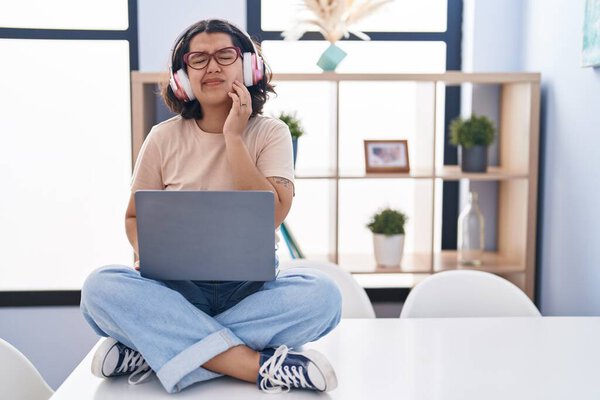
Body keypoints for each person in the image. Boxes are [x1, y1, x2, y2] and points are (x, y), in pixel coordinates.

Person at [80, 19, 342, 394]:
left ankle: (157, 348)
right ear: (183, 77)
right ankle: (255, 366)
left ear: (249, 67)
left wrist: (233, 137)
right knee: (98, 289)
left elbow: (272, 214)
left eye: (225, 55)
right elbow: (134, 217)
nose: (213, 67)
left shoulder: (271, 133)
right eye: (198, 59)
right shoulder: (162, 137)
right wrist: (145, 248)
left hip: (250, 291)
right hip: (174, 290)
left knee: (324, 297)